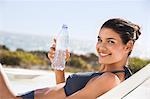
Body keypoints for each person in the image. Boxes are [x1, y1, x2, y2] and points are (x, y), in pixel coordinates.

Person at [0, 18, 141, 99]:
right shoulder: (107, 75)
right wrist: (59, 66)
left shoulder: (110, 79)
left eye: (110, 41)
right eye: (100, 39)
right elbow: (64, 92)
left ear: (128, 46)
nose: (101, 47)